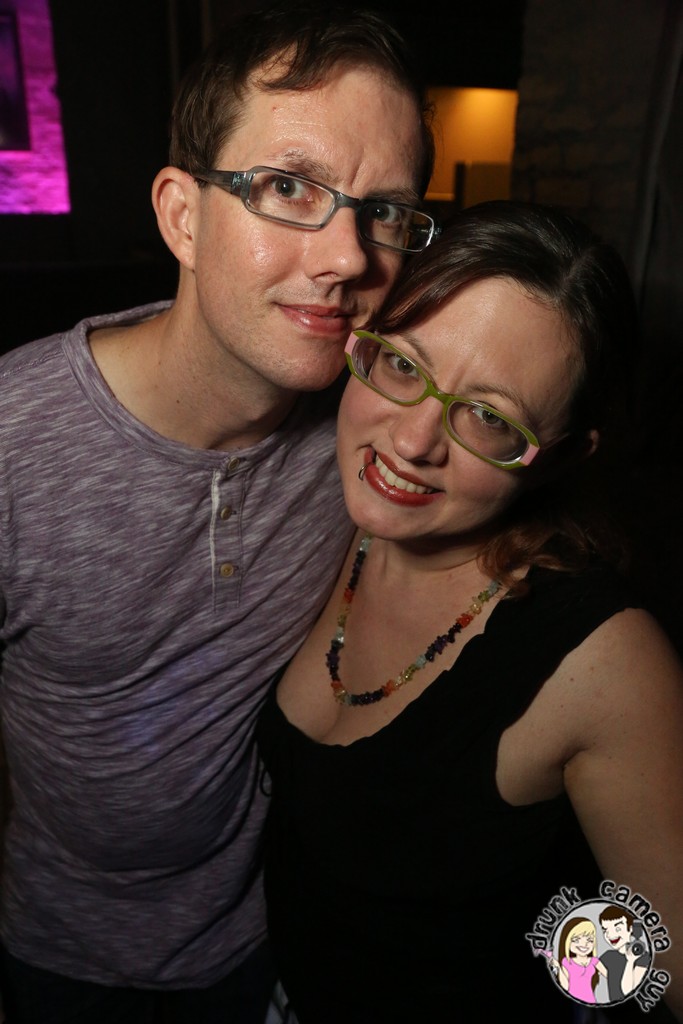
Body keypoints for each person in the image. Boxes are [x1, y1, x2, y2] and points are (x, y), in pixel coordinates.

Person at [0, 2, 436, 1021]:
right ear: (182, 216)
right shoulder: (14, 443)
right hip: (69, 963)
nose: (347, 258)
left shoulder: (369, 424)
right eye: (288, 187)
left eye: (382, 211)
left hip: (282, 942)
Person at [256, 201, 683, 1022]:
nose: (413, 442)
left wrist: (580, 990)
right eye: (402, 365)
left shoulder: (604, 664)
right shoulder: (334, 520)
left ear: (560, 455)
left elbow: (663, 966)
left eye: (488, 417)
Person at [599, 906, 652, 1002]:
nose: (610, 935)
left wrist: (630, 961)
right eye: (605, 930)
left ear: (630, 928)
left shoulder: (643, 957)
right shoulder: (608, 956)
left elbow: (627, 991)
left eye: (618, 929)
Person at [551, 917, 607, 1004]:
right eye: (576, 940)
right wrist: (558, 967)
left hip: (591, 1001)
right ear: (567, 941)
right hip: (572, 1001)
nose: (584, 944)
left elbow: (610, 976)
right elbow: (565, 987)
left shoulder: (594, 961)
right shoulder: (566, 962)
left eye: (590, 940)